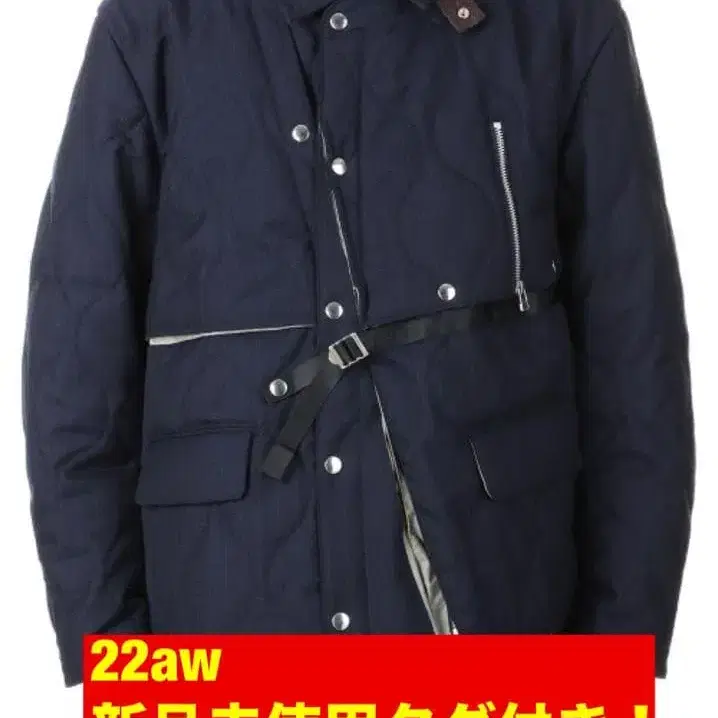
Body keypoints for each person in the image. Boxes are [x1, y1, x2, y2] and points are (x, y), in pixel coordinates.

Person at [23, 0, 694, 687]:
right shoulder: (157, 24)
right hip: (223, 618)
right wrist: (113, 659)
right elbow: (77, 350)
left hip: (495, 600)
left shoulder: (559, 21)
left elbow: (635, 348)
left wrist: (617, 655)